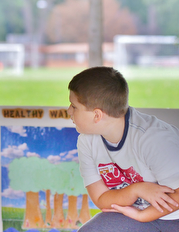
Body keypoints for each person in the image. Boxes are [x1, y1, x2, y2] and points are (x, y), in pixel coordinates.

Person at [67, 66, 179, 231]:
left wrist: (143, 215)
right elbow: (100, 198)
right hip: (135, 215)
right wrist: (136, 190)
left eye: (73, 106)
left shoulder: (153, 138)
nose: (68, 111)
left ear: (97, 115)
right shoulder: (87, 140)